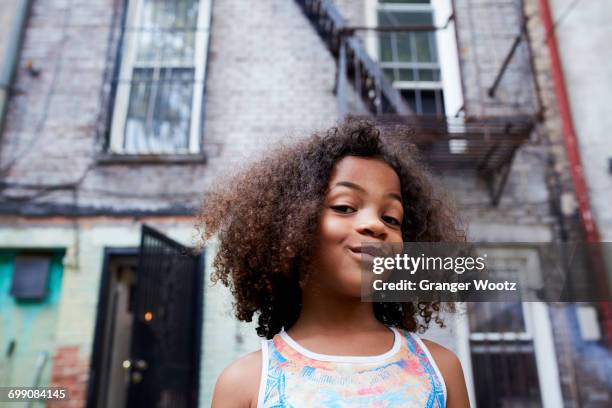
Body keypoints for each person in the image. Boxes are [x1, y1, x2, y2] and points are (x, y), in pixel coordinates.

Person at [200, 120, 470, 407]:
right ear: (291, 225)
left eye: (391, 218)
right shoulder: (245, 383)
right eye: (344, 207)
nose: (375, 225)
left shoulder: (442, 372)